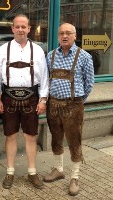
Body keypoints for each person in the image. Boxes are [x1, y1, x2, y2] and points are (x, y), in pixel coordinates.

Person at [0, 14, 49, 189]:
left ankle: (32, 173)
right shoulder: (3, 50)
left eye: (23, 27)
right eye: (17, 26)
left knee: (30, 136)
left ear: (29, 29)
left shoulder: (38, 50)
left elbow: (44, 78)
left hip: (31, 98)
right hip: (8, 97)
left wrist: (43, 99)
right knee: (10, 136)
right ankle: (10, 172)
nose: (20, 29)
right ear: (12, 29)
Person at [43, 23, 94, 196]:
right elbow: (47, 81)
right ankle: (59, 169)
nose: (64, 36)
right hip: (53, 104)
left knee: (74, 141)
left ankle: (75, 176)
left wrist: (77, 101)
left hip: (73, 105)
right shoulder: (50, 56)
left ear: (75, 35)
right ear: (58, 36)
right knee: (56, 139)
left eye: (68, 33)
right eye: (61, 33)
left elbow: (89, 83)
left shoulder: (84, 56)